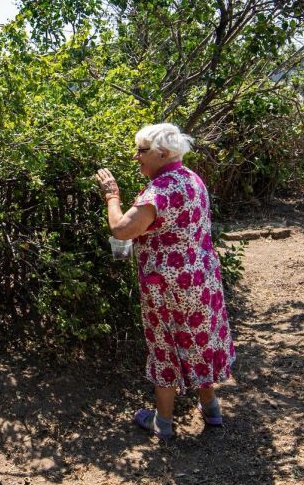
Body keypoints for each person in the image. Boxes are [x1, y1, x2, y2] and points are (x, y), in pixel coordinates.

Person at [94, 123, 235, 440]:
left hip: (169, 286)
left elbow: (121, 230)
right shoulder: (191, 179)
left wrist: (111, 196)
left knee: (165, 346)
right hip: (201, 280)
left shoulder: (161, 190)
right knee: (197, 341)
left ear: (162, 153)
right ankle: (211, 408)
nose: (136, 157)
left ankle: (163, 422)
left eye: (141, 151)